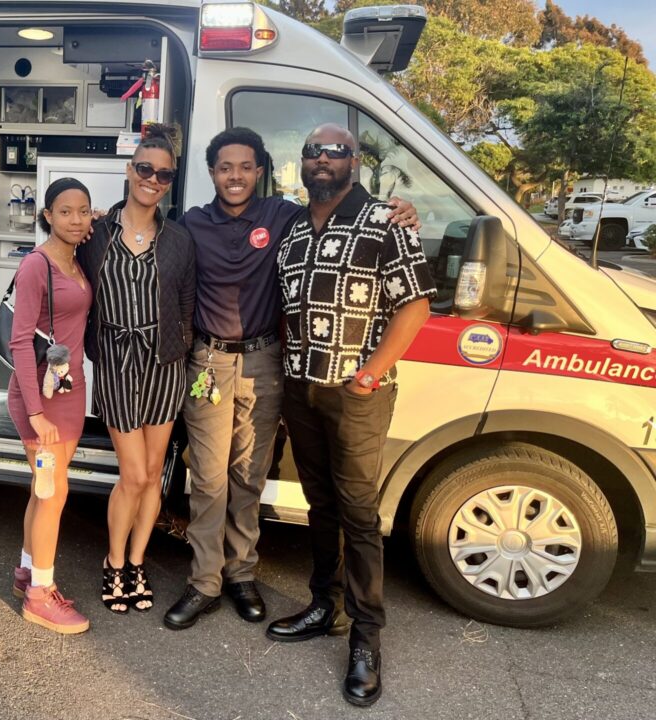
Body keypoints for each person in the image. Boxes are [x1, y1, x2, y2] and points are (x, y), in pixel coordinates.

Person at [163, 127, 419, 631]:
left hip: (266, 363)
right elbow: (150, 240)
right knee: (209, 479)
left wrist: (403, 210)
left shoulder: (286, 216)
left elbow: (345, 211)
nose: (234, 177)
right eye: (224, 168)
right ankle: (204, 581)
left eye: (244, 167)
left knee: (248, 476)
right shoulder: (191, 223)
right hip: (209, 365)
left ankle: (241, 574)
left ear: (260, 171)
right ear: (211, 172)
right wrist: (102, 222)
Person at [272, 124, 435, 707]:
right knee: (319, 504)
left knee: (359, 513)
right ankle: (326, 605)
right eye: (312, 151)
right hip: (302, 388)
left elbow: (416, 303)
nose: (321, 160)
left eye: (334, 151)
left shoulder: (386, 221)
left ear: (354, 160)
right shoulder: (293, 227)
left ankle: (366, 639)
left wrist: (369, 372)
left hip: (359, 393)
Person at [76, 124, 196, 615]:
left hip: (164, 365)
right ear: (129, 170)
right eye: (145, 169)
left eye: (163, 174)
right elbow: (69, 279)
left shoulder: (179, 240)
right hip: (117, 363)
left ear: (170, 181)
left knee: (152, 474)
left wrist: (181, 348)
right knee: (132, 474)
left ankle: (137, 562)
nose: (153, 179)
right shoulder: (95, 233)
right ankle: (113, 560)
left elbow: (187, 303)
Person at [9, 178, 94, 634]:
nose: (76, 219)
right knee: (52, 493)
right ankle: (40, 595)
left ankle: (27, 571)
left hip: (69, 393)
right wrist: (36, 412)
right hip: (40, 400)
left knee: (42, 491)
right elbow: (20, 341)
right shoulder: (36, 266)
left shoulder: (76, 260)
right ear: (47, 215)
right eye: (65, 211)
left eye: (83, 211)